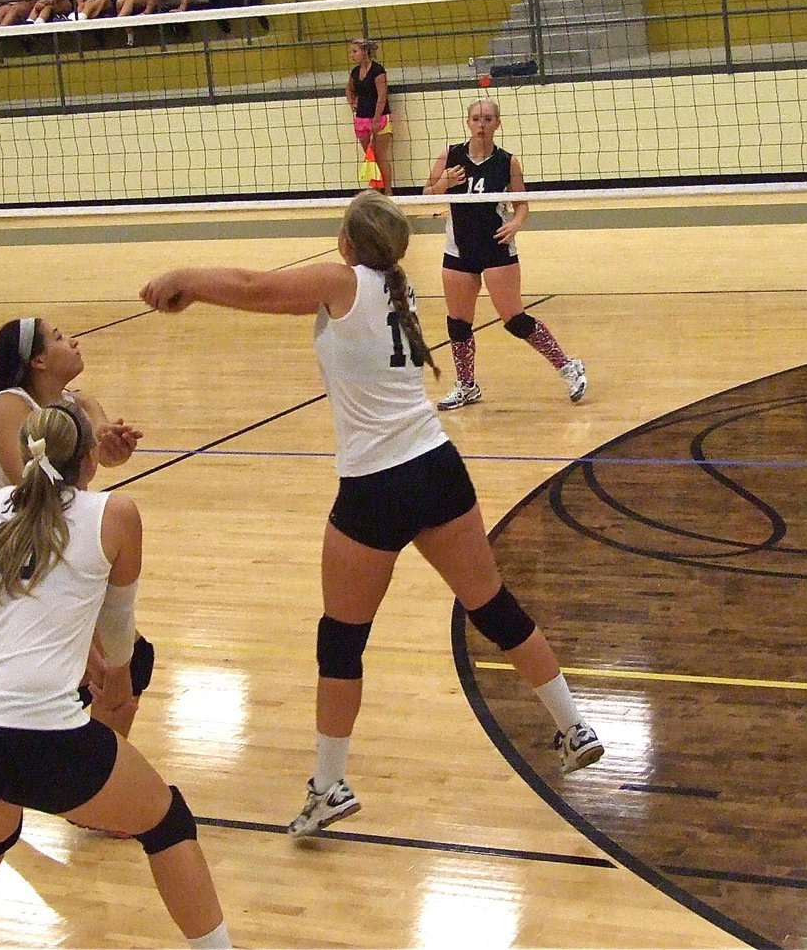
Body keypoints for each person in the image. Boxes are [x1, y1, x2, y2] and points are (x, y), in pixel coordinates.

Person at [139, 191, 605, 836]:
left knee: (342, 640)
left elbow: (255, 287)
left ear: (350, 242)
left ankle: (329, 787)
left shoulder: (343, 280)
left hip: (375, 488)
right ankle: (572, 725)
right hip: (438, 469)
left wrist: (184, 279)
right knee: (492, 606)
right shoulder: (398, 287)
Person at [0, 402, 232, 950]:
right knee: (166, 821)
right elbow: (118, 632)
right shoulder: (116, 512)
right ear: (91, 457)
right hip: (41, 735)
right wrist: (115, 680)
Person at [0, 318, 151, 739]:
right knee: (93, 676)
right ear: (38, 360)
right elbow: (35, 490)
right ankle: (84, 778)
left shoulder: (74, 403)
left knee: (128, 666)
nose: (74, 340)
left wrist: (110, 445)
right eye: (59, 338)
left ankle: (94, 781)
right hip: (8, 564)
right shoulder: (8, 407)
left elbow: (97, 454)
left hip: (56, 551)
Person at [424, 99, 588, 409]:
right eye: (475, 118)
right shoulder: (450, 155)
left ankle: (569, 367)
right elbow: (425, 196)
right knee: (458, 323)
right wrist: (444, 183)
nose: (481, 124)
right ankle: (467, 385)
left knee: (515, 320)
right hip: (458, 248)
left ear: (497, 123)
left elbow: (522, 204)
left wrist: (515, 223)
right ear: (468, 122)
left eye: (487, 118)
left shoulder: (507, 162)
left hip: (496, 247)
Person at [346, 38, 393, 196]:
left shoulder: (378, 71)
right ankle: (376, 190)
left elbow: (382, 96)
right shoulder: (355, 72)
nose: (351, 55)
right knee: (370, 157)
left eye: (354, 51)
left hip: (380, 119)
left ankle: (388, 192)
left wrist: (376, 119)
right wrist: (352, 102)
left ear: (365, 52)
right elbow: (349, 89)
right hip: (361, 119)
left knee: (380, 156)